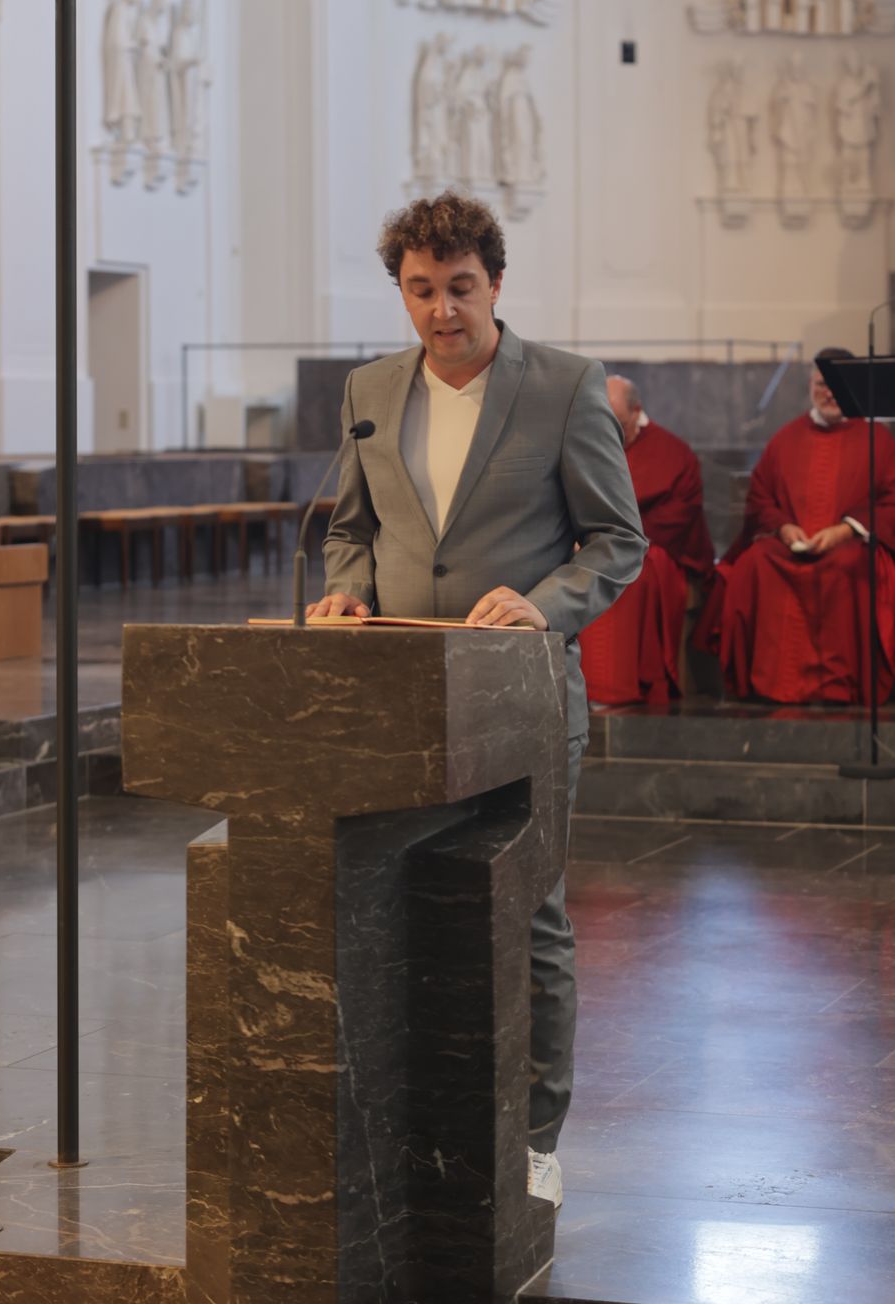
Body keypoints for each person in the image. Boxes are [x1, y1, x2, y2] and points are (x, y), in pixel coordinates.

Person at [312, 191, 646, 1208]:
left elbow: (617, 543)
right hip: (400, 691)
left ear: (495, 283)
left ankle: (538, 1137)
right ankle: (414, 1126)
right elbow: (353, 528)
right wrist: (344, 594)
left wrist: (543, 606)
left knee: (528, 911)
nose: (441, 311)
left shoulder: (566, 388)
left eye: (459, 288)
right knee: (390, 904)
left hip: (521, 695)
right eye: (421, 291)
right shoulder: (371, 387)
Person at [706, 350, 895, 706]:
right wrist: (785, 528)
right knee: (755, 563)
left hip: (848, 546)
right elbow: (760, 499)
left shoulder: (876, 440)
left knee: (848, 566)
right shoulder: (785, 439)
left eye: (839, 385)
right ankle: (768, 683)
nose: (830, 392)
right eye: (823, 384)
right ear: (811, 386)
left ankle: (838, 686)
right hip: (792, 545)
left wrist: (846, 530)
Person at [579, 377, 714, 704]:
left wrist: (617, 540)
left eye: (619, 425)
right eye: (602, 424)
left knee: (630, 576)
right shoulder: (587, 441)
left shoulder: (674, 453)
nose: (610, 434)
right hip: (587, 545)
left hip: (654, 548)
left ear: (637, 412)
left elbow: (677, 516)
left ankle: (615, 687)